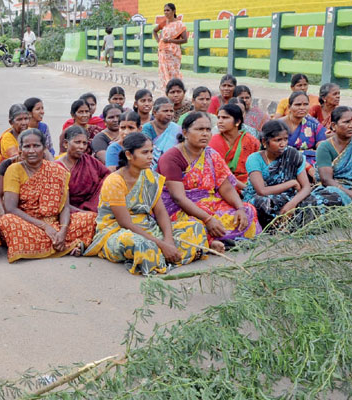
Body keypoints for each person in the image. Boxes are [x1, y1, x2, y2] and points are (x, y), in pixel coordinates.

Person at [84, 132, 207, 275]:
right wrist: (161, 244)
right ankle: (169, 256)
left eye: (151, 152)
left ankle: (161, 256)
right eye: (145, 152)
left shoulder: (149, 176)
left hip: (148, 227)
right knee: (140, 244)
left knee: (195, 227)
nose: (150, 156)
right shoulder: (115, 181)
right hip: (117, 231)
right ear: (129, 155)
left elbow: (160, 212)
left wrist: (168, 240)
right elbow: (126, 223)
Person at [158, 112, 260, 252]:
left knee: (248, 210)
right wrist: (207, 219)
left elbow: (226, 187)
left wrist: (239, 208)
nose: (205, 134)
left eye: (208, 130)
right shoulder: (171, 157)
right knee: (193, 225)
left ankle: (219, 240)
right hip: (178, 207)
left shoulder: (211, 153)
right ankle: (211, 242)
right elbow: (178, 198)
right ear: (185, 132)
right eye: (200, 129)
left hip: (209, 202)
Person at [0, 129, 97, 262]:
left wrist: (62, 230)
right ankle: (66, 245)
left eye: (36, 146)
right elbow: (10, 208)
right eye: (27, 146)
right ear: (20, 149)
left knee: (90, 218)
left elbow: (65, 207)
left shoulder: (58, 171)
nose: (32, 150)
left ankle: (56, 242)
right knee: (7, 221)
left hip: (55, 223)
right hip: (29, 224)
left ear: (44, 148)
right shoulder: (14, 169)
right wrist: (45, 227)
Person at [245, 120, 348, 232]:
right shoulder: (254, 159)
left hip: (292, 198)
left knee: (333, 195)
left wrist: (292, 204)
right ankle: (299, 223)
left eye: (285, 139)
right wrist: (291, 183)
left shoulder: (292, 154)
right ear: (265, 141)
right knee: (262, 204)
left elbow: (306, 187)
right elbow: (262, 191)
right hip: (267, 198)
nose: (283, 144)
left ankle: (290, 223)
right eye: (278, 140)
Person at [57, 126, 111, 212]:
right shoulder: (57, 167)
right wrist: (83, 213)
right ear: (66, 144)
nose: (81, 147)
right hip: (67, 211)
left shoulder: (90, 160)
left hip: (93, 207)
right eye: (77, 142)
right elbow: (59, 201)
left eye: (84, 143)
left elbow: (108, 176)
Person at [208, 103, 260, 189]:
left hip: (250, 182)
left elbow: (258, 167)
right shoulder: (214, 141)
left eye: (225, 118)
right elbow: (218, 173)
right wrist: (246, 189)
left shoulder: (251, 141)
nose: (220, 121)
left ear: (238, 122)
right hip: (223, 186)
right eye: (219, 117)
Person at [316, 106, 352, 202]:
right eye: (347, 122)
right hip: (335, 188)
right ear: (333, 126)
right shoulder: (325, 147)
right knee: (329, 198)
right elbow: (326, 180)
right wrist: (351, 194)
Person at [283, 91, 327, 168]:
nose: (302, 108)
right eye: (298, 105)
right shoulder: (279, 124)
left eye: (305, 104)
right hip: (285, 161)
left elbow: (321, 144)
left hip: (310, 160)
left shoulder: (313, 124)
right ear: (289, 107)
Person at [153, 3, 188, 87]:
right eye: (164, 10)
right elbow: (154, 31)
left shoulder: (179, 24)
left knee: (174, 71)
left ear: (174, 11)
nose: (166, 12)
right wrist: (159, 41)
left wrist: (170, 40)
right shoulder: (164, 23)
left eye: (168, 10)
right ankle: (166, 89)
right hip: (163, 52)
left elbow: (185, 40)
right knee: (164, 72)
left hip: (173, 53)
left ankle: (176, 88)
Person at [142, 97, 179, 169]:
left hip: (172, 166)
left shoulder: (177, 129)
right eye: (165, 111)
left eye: (171, 111)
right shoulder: (147, 128)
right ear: (155, 113)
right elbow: (146, 149)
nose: (169, 114)